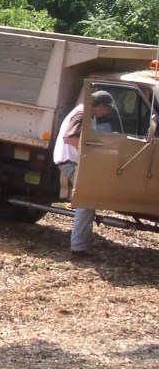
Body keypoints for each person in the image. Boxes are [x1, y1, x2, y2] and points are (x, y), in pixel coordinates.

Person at [53, 90, 114, 257]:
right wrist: (93, 149)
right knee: (86, 202)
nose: (107, 112)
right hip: (70, 163)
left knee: (88, 201)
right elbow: (70, 138)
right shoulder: (81, 114)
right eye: (107, 108)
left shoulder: (85, 112)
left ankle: (80, 244)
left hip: (74, 161)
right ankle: (78, 248)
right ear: (100, 106)